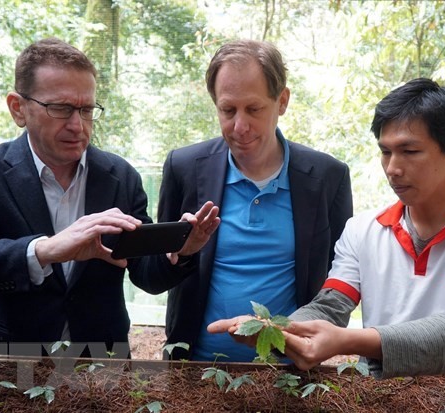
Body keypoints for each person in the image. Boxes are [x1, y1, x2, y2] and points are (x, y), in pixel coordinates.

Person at [209, 78, 445, 378]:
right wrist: (278, 330)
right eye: (385, 152)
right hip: (376, 399)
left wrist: (351, 341)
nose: (393, 168)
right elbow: (330, 307)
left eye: (409, 151)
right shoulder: (363, 231)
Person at [0, 38, 220, 358]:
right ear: (18, 108)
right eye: (60, 108)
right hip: (8, 356)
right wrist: (45, 250)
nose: (77, 125)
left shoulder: (121, 176)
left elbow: (146, 274)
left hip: (101, 359)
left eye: (86, 109)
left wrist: (179, 252)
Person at [148, 39, 353, 361]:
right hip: (196, 367)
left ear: (282, 101)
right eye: (228, 110)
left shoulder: (327, 177)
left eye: (254, 109)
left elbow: (340, 280)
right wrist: (182, 253)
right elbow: (152, 277)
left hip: (292, 370)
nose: (240, 126)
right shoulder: (185, 168)